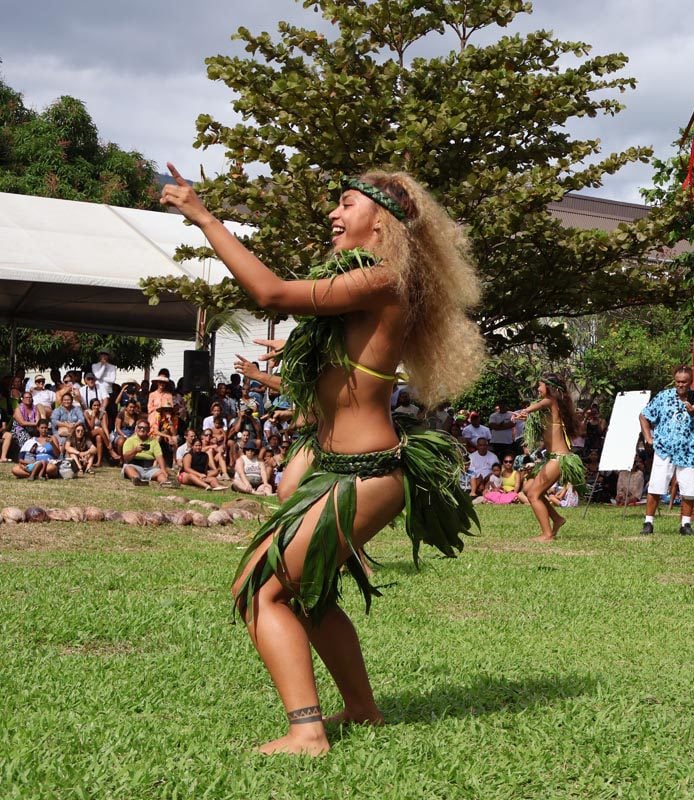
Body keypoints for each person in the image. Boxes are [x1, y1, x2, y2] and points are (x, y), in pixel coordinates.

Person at [161, 164, 482, 755]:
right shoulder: (369, 285)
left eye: (346, 204)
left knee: (259, 589)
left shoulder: (384, 279)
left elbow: (272, 293)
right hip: (337, 469)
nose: (334, 214)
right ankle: (361, 711)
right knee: (309, 593)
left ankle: (307, 731)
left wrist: (205, 217)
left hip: (366, 473)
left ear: (382, 222)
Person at [638, 366, 694, 536]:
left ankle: (685, 524)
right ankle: (648, 522)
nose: (680, 385)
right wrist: (648, 438)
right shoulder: (664, 397)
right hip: (664, 449)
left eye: (684, 382)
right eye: (678, 382)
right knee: (656, 485)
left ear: (690, 382)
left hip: (688, 451)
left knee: (689, 488)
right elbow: (644, 415)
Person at [512, 373, 584, 541]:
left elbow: (537, 405)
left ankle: (547, 534)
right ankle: (557, 519)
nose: (538, 389)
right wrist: (527, 416)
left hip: (558, 458)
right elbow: (537, 414)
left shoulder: (551, 401)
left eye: (540, 385)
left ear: (550, 388)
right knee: (530, 489)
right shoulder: (550, 408)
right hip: (552, 457)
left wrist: (524, 411)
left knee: (533, 495)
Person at [122, 418, 169, 485]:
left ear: (149, 430)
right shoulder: (130, 440)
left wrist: (163, 470)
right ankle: (137, 480)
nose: (142, 429)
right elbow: (126, 458)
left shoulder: (154, 441)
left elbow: (159, 457)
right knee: (127, 467)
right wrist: (135, 451)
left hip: (150, 468)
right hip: (134, 465)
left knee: (161, 473)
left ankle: (165, 483)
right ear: (136, 428)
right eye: (140, 427)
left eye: (145, 428)